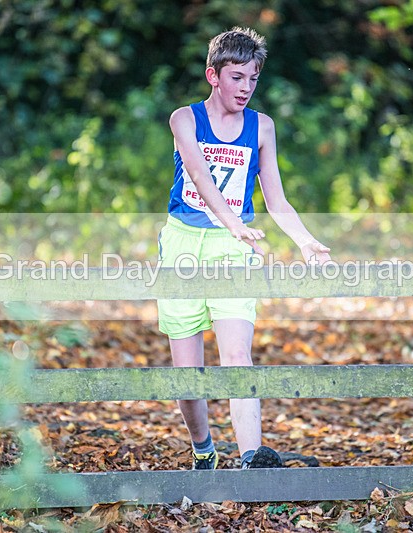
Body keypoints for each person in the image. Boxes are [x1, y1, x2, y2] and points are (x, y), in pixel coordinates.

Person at [157, 26, 332, 470]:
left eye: (253, 78)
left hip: (234, 250)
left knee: (237, 356)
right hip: (182, 245)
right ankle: (203, 449)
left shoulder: (262, 127)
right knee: (187, 379)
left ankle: (252, 460)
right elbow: (199, 175)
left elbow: (276, 200)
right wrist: (232, 220)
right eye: (236, 77)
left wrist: (306, 241)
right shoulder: (184, 119)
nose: (245, 87)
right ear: (212, 76)